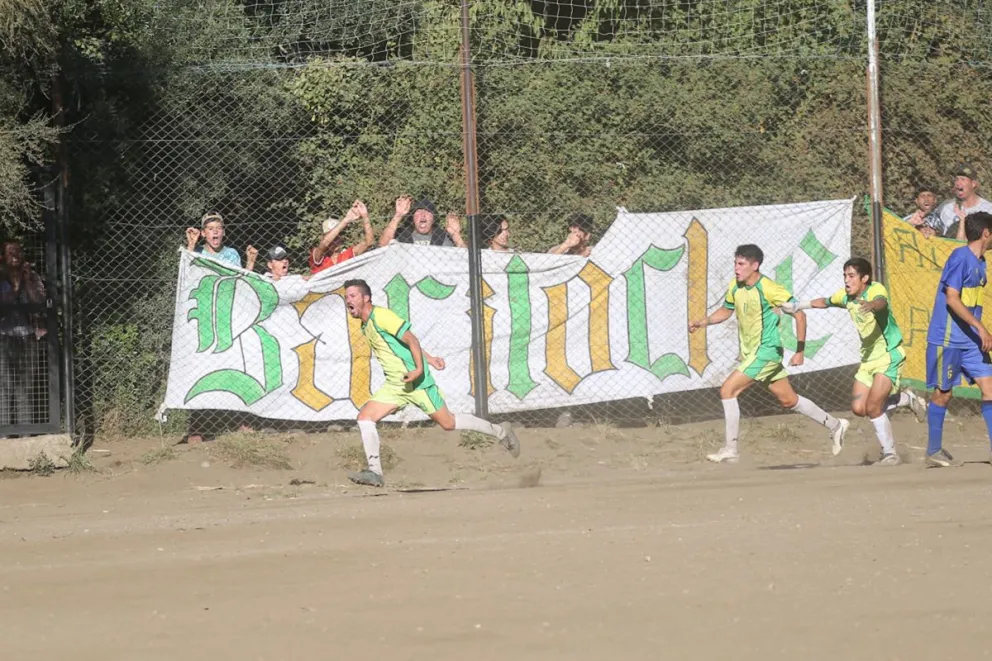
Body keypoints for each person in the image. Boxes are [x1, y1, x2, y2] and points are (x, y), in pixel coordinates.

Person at [342, 278, 520, 486]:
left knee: (448, 423)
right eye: (346, 297)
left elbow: (411, 339)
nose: (348, 300)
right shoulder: (366, 324)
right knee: (365, 418)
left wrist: (420, 368)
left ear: (366, 298)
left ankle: (501, 431)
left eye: (352, 296)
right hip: (396, 384)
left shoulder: (382, 316)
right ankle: (375, 472)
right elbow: (404, 345)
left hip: (417, 383)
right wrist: (430, 358)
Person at [688, 244, 849, 464]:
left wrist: (800, 351)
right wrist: (702, 322)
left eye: (741, 264)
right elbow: (726, 311)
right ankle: (836, 425)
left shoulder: (770, 288)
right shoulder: (735, 285)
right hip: (753, 353)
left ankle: (730, 449)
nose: (736, 268)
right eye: (735, 263)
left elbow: (800, 315)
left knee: (728, 390)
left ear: (755, 266)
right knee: (789, 400)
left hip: (766, 351)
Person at [781, 257, 926, 466]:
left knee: (874, 408)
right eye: (845, 276)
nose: (846, 280)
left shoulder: (875, 290)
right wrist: (797, 306)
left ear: (864, 278)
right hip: (867, 360)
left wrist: (872, 305)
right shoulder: (846, 297)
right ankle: (906, 399)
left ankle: (890, 454)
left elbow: (881, 302)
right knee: (859, 408)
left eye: (851, 276)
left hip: (888, 355)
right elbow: (825, 302)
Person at [922, 211, 992, 467]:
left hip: (971, 341)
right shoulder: (960, 257)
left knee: (990, 388)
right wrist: (981, 328)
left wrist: (977, 331)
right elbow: (952, 299)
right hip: (948, 339)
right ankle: (933, 450)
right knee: (944, 394)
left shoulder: (981, 261)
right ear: (986, 233)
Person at [0, 240, 47, 432]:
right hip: (4, 336)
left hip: (27, 336)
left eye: (18, 251)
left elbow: (40, 303)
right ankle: (4, 433)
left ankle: (24, 433)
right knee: (3, 387)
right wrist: (15, 287)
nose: (15, 255)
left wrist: (26, 281)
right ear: (3, 257)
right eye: (10, 252)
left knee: (24, 387)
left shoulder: (32, 277)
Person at [925, 164, 992, 240]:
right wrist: (927, 230)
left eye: (963, 179)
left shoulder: (988, 208)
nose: (958, 183)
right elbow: (929, 225)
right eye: (956, 179)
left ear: (973, 184)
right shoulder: (946, 207)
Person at [310, 200, 376, 275]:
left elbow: (369, 242)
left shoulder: (346, 255)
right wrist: (346, 220)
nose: (334, 241)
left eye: (337, 237)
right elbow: (324, 243)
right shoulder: (319, 258)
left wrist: (365, 216)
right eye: (332, 237)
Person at [379, 196, 465, 248]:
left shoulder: (442, 237)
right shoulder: (402, 235)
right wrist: (398, 215)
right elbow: (383, 245)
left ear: (433, 219)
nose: (423, 215)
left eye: (427, 212)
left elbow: (465, 258)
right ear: (413, 218)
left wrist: (455, 234)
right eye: (419, 212)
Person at [185, 212, 257, 271]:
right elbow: (186, 272)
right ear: (203, 233)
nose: (215, 231)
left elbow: (239, 281)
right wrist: (191, 244)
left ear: (223, 232)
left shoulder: (231, 254)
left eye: (219, 228)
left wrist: (250, 263)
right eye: (210, 229)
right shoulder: (197, 253)